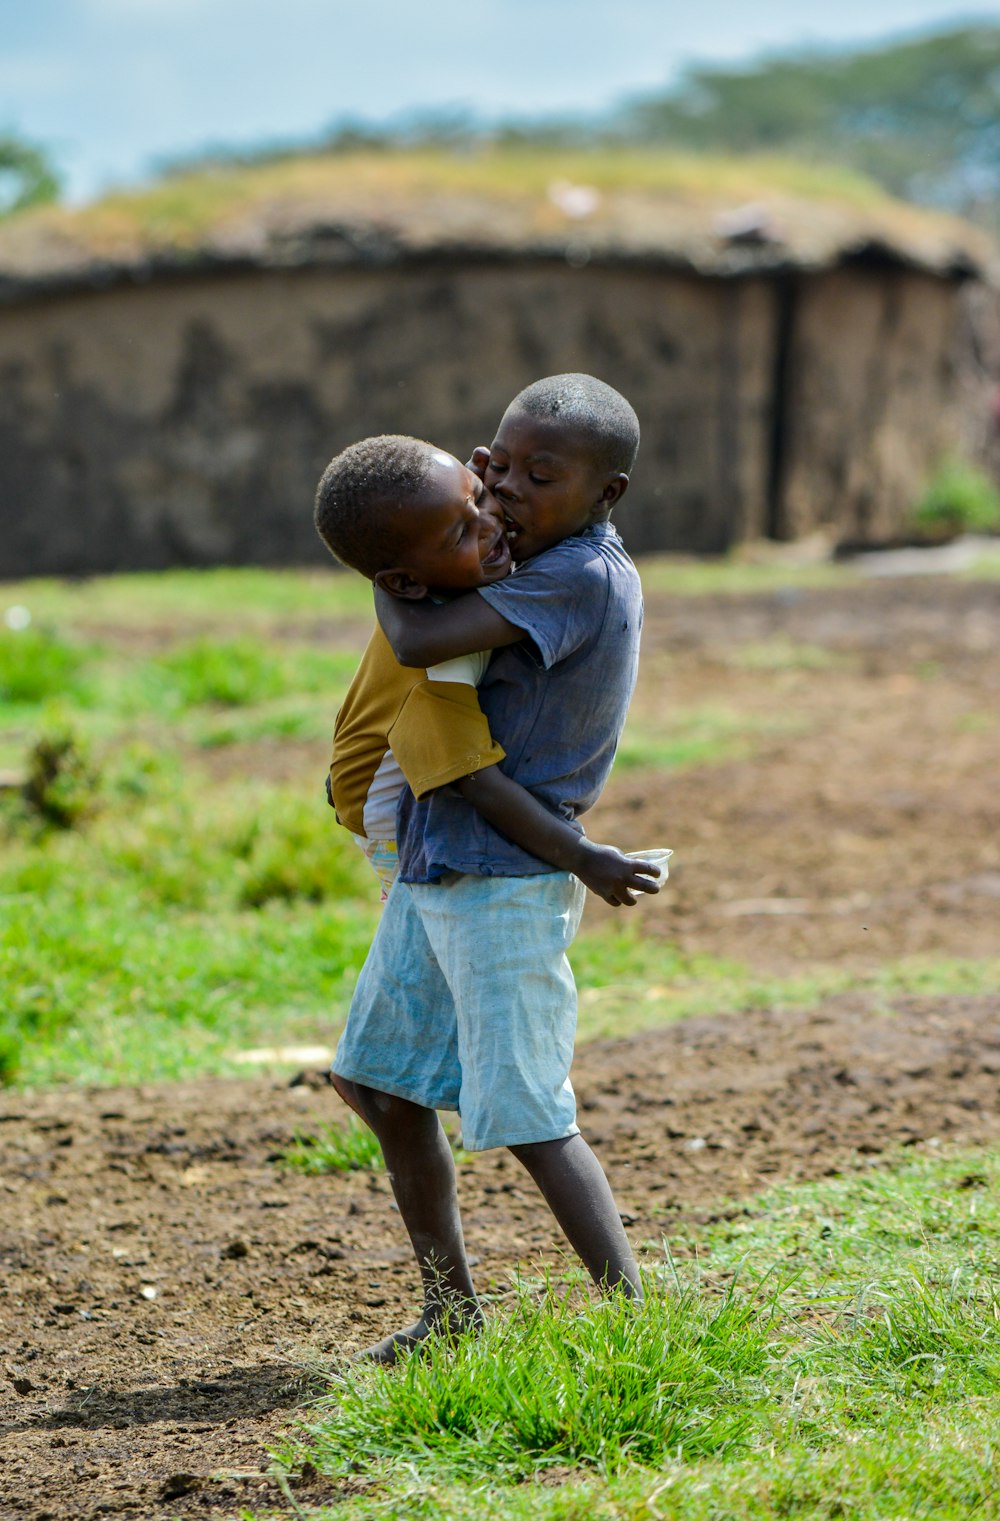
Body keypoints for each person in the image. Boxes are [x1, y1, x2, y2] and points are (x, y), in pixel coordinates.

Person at [325, 375, 654, 1363]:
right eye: (495, 469)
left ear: (607, 494)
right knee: (379, 1086)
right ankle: (452, 1315)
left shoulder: (575, 577)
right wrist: (417, 541)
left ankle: (636, 1330)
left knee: (528, 1111)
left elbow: (423, 638)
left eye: (536, 478)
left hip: (507, 876)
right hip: (439, 865)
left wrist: (399, 563)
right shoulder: (521, 561)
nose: (504, 495)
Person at [314, 435, 659, 906]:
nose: (490, 524)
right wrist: (583, 857)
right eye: (460, 534)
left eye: (478, 496)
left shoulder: (434, 598)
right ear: (404, 583)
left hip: (382, 766)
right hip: (384, 819)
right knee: (436, 923)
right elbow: (476, 780)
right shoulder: (438, 656)